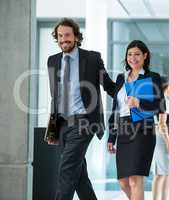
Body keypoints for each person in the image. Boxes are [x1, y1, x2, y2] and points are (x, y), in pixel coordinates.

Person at [46, 18, 116, 200]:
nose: (63, 40)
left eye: (67, 35)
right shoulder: (52, 61)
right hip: (62, 125)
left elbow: (108, 85)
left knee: (66, 170)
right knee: (78, 175)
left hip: (84, 123)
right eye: (60, 36)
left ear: (76, 36)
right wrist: (52, 130)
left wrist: (129, 90)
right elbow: (56, 97)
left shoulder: (92, 58)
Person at [107, 40, 165, 200]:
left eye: (137, 54)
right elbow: (116, 110)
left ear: (145, 56)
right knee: (123, 183)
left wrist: (139, 103)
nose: (133, 58)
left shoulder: (152, 77)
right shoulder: (121, 78)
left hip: (143, 131)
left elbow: (160, 107)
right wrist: (111, 137)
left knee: (135, 180)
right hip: (124, 131)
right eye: (129, 54)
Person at [152, 76, 169, 200]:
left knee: (161, 173)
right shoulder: (163, 101)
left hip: (160, 136)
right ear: (167, 86)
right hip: (163, 138)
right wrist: (168, 143)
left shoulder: (161, 100)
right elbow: (162, 123)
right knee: (165, 173)